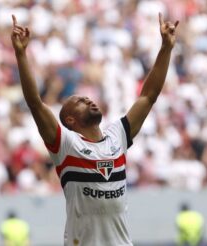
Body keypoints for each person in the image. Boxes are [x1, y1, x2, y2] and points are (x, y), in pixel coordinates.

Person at [11, 12, 178, 246]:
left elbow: (149, 95)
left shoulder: (117, 135)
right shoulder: (65, 145)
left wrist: (166, 48)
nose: (89, 101)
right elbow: (35, 103)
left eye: (88, 98)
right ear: (69, 120)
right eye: (80, 102)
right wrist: (21, 54)